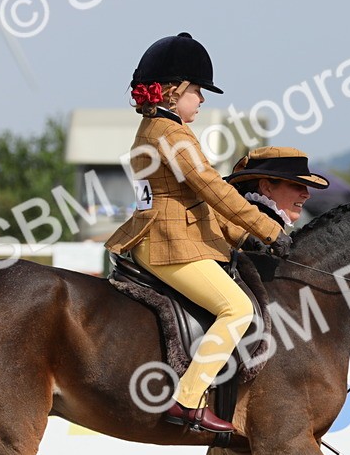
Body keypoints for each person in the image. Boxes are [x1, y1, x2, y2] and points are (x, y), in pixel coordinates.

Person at [106, 33, 291, 433]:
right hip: (168, 244)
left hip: (167, 235)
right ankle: (187, 401)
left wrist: (241, 236)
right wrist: (267, 229)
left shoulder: (157, 128)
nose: (202, 99)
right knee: (237, 309)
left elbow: (194, 202)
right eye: (197, 91)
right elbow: (212, 189)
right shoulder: (170, 133)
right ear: (173, 92)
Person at [180, 147, 334, 455]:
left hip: (265, 383)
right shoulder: (249, 229)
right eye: (295, 186)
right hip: (246, 388)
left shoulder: (269, 227)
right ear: (266, 187)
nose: (304, 195)